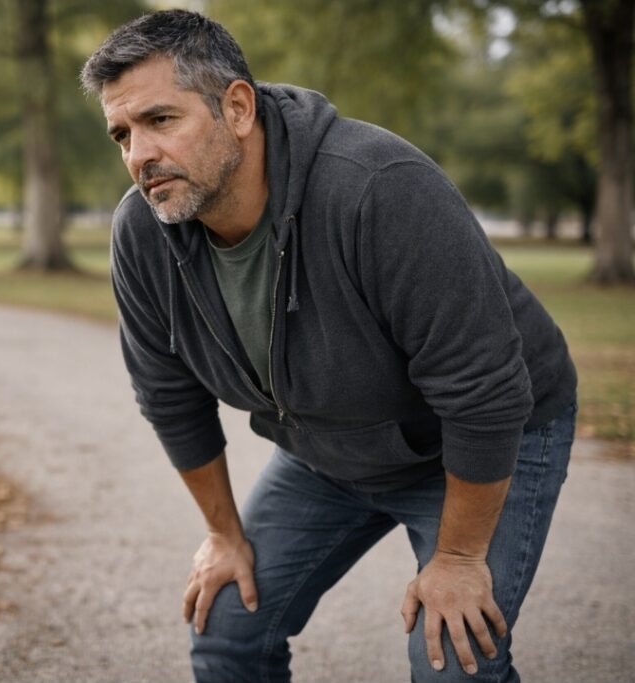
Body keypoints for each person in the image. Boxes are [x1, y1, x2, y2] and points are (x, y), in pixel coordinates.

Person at [81, 9, 578, 683]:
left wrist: (459, 561)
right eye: (122, 132)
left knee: (452, 662)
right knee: (226, 628)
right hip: (328, 448)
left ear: (236, 107)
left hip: (486, 437)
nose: (138, 154)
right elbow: (170, 398)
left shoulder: (379, 188)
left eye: (160, 120)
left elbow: (484, 392)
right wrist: (225, 535)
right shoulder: (142, 232)